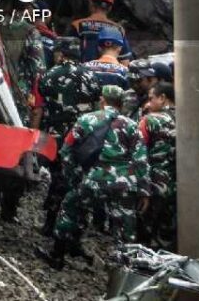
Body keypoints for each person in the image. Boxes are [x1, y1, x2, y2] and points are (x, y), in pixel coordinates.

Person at [38, 84, 147, 268]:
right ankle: (127, 272)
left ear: (102, 99)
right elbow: (141, 159)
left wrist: (74, 176)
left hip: (93, 178)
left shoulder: (87, 119)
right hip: (124, 183)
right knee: (124, 227)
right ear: (121, 104)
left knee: (70, 209)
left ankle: (57, 255)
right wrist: (143, 190)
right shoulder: (132, 126)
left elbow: (67, 149)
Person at [30, 36, 100, 236]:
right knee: (77, 181)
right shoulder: (91, 77)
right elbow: (96, 105)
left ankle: (50, 225)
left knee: (58, 179)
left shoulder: (49, 75)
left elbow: (39, 107)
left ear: (60, 53)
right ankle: (74, 229)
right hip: (82, 138)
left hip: (57, 137)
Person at [138, 82, 177, 247]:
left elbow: (138, 153)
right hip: (178, 186)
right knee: (169, 231)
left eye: (151, 98)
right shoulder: (189, 118)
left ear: (162, 98)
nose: (148, 103)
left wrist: (142, 188)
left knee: (145, 231)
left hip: (154, 184)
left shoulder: (148, 121)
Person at [68, 0, 132, 63]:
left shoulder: (77, 26)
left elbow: (67, 57)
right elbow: (125, 61)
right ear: (110, 8)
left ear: (90, 3)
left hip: (83, 73)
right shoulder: (119, 30)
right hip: (110, 74)